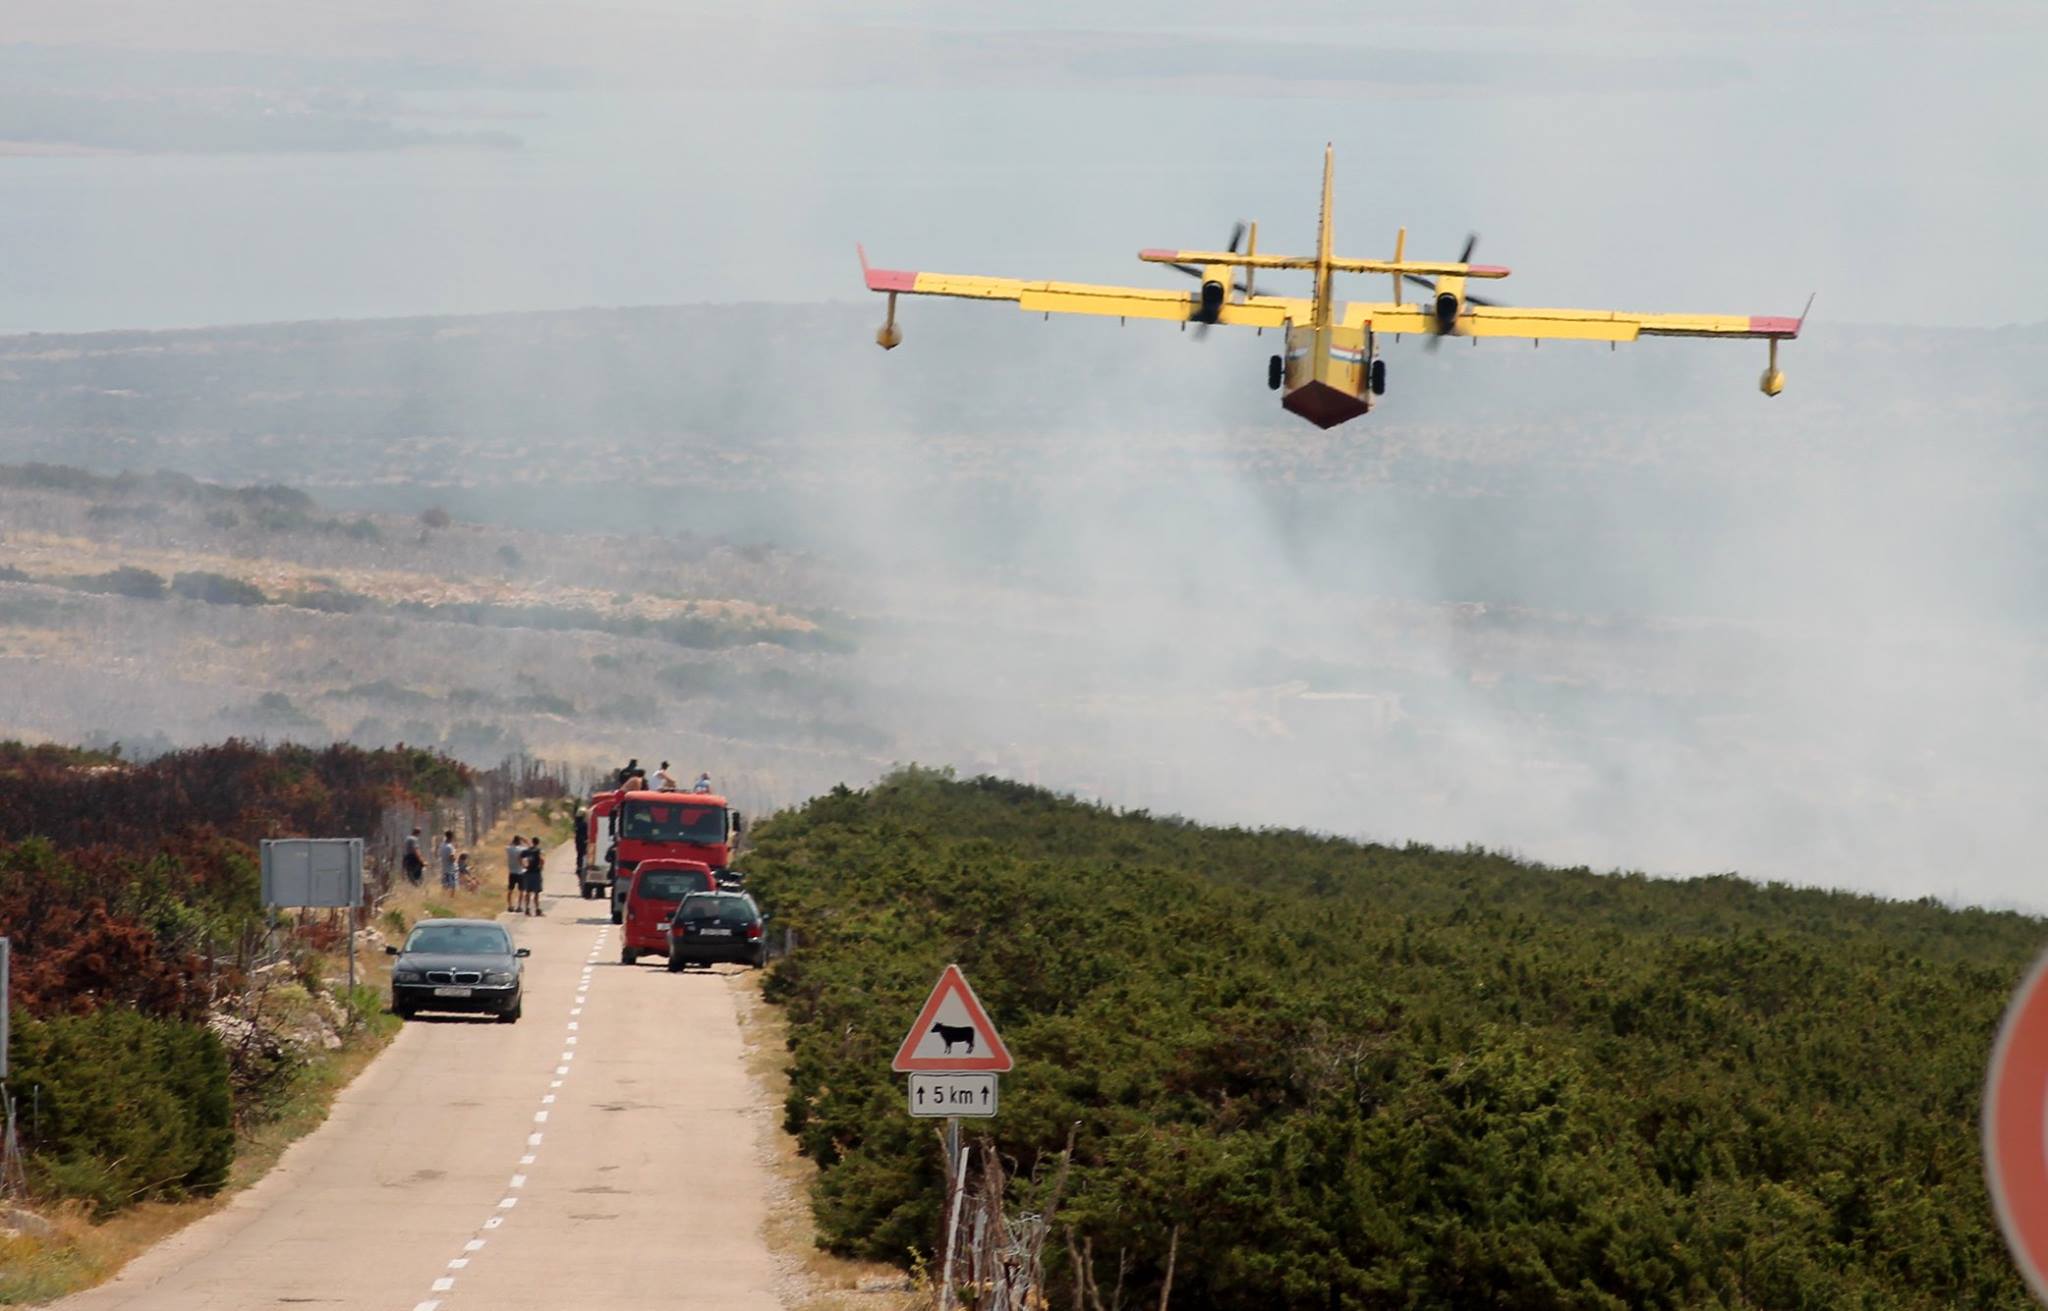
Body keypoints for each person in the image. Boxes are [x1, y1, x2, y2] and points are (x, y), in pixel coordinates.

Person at [520, 838, 546, 915]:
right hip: (536, 873)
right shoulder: (538, 850)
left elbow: (520, 857)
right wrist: (541, 867)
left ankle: (527, 908)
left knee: (527, 892)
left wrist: (523, 865)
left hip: (528, 872)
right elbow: (542, 859)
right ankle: (537, 909)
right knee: (536, 892)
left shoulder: (527, 851)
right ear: (538, 843)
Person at [505, 833, 525, 912]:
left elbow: (508, 845)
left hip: (512, 872)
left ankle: (510, 906)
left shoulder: (509, 849)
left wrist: (512, 842)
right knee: (521, 890)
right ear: (519, 842)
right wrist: (524, 839)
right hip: (520, 872)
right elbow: (529, 846)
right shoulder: (521, 849)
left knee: (510, 890)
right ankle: (519, 906)